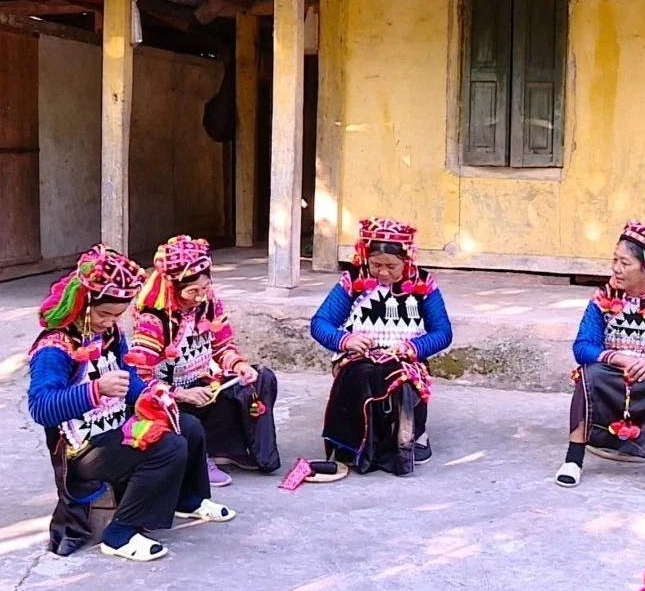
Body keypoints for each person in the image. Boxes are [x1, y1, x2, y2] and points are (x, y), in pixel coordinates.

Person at [28, 245, 235, 563]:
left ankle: (188, 498)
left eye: (116, 315)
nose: (110, 322)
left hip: (114, 425)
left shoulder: (110, 334)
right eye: (103, 314)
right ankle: (120, 533)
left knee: (187, 425)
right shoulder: (55, 347)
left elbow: (130, 381)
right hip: (82, 449)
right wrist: (95, 390)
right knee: (167, 448)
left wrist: (152, 395)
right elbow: (41, 407)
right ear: (84, 304)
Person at [555, 220, 645, 504]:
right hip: (614, 374)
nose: (616, 268)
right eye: (614, 260)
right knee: (590, 374)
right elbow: (582, 346)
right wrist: (617, 357)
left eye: (624, 262)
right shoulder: (602, 298)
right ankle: (574, 459)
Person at [126, 235, 281, 487]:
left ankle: (229, 448)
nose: (199, 297)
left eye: (204, 288)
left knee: (260, 378)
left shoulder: (209, 304)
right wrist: (181, 394)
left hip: (202, 384)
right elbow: (140, 377)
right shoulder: (153, 320)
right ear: (173, 287)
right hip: (169, 396)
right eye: (191, 291)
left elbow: (223, 346)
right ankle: (200, 457)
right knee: (183, 414)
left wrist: (238, 365)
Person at [310, 218, 454, 476]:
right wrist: (345, 340)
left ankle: (410, 437)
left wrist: (413, 347)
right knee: (361, 375)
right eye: (376, 264)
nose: (383, 272)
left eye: (391, 266)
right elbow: (321, 323)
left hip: (405, 356)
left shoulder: (423, 285)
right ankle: (354, 443)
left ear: (407, 260)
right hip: (360, 355)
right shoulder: (352, 281)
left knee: (402, 378)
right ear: (365, 257)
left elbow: (443, 332)